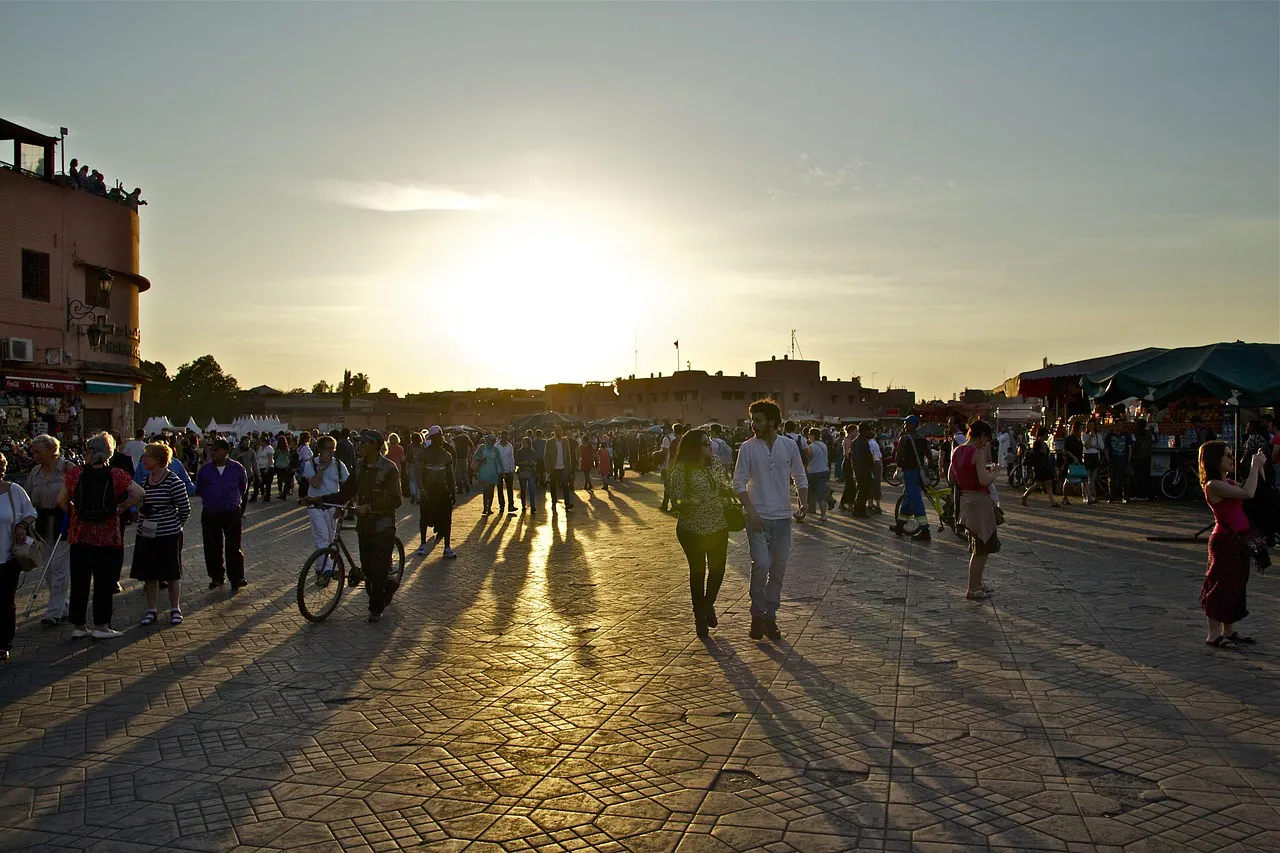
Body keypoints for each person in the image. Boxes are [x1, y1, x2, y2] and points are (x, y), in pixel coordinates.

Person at [57, 432, 145, 640]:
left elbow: (60, 499)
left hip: (80, 535)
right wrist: (121, 508)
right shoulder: (116, 474)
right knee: (104, 582)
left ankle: (79, 625)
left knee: (79, 581)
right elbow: (140, 493)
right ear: (109, 452)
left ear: (89, 451)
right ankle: (101, 625)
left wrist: (74, 512)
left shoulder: (75, 473)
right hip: (108, 536)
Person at [733, 400, 808, 642]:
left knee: (778, 569)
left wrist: (804, 503)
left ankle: (770, 617)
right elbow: (738, 482)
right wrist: (751, 512)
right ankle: (757, 614)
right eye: (752, 420)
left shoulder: (788, 446)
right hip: (757, 517)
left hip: (783, 518)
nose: (754, 425)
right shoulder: (748, 448)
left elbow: (799, 475)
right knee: (762, 565)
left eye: (758, 420)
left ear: (773, 422)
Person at [1200, 441, 1269, 648]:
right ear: (1215, 460)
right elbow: (1247, 493)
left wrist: (1260, 466)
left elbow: (1255, 490)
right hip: (1224, 541)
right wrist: (1254, 467)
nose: (1232, 459)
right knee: (1220, 586)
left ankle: (1228, 630)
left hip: (1239, 540)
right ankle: (1213, 635)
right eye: (1228, 456)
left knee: (1236, 586)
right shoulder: (1214, 485)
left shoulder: (1228, 482)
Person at [668, 429, 729, 638]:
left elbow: (722, 486)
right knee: (698, 572)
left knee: (718, 570)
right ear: (694, 447)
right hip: (691, 529)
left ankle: (707, 604)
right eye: (705, 443)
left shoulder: (716, 463)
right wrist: (688, 502)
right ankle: (698, 615)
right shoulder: (681, 470)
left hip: (718, 525)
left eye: (709, 442)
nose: (709, 446)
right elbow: (674, 500)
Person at [336, 431, 403, 622]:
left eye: (363, 443)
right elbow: (346, 491)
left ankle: (377, 606)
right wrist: (320, 500)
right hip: (365, 525)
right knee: (367, 567)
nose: (359, 446)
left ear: (374, 445)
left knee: (378, 569)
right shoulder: (359, 466)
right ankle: (387, 586)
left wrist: (370, 507)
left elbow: (395, 499)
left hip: (383, 525)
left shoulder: (389, 468)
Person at [133, 443, 193, 626]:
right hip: (147, 534)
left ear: (158, 460)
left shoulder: (173, 481)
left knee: (172, 573)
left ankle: (175, 608)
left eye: (147, 457)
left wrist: (175, 524)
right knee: (150, 574)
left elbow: (185, 508)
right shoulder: (145, 481)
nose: (144, 460)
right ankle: (151, 609)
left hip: (168, 533)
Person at [948, 420, 1001, 601]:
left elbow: (950, 477)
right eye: (986, 439)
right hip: (979, 502)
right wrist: (995, 472)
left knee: (978, 545)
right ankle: (972, 588)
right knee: (981, 548)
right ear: (982, 436)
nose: (986, 443)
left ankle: (978, 583)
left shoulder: (956, 451)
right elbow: (984, 481)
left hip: (966, 501)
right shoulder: (977, 453)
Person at [25, 435, 72, 626]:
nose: (35, 455)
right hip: (43, 524)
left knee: (60, 567)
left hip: (64, 522)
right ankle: (63, 605)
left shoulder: (67, 468)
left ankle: (53, 612)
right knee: (49, 569)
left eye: (39, 451)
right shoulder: (35, 472)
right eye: (33, 451)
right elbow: (27, 499)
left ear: (53, 450)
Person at [195, 438, 249, 591]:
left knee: (233, 546)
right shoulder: (205, 470)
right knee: (212, 546)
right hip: (211, 512)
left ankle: (237, 577)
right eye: (212, 450)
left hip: (231, 512)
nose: (213, 453)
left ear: (226, 452)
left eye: (216, 450)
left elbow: (242, 487)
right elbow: (200, 488)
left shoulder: (237, 468)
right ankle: (216, 576)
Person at [1, 451, 38, 662]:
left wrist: (23, 525)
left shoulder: (14, 491)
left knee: (5, 601)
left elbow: (31, 512)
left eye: (2, 467)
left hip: (7, 556)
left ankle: (3, 642)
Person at [300, 436, 350, 576]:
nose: (330, 452)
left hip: (332, 507)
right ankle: (327, 569)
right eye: (327, 449)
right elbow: (315, 483)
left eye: (333, 449)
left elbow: (346, 487)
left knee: (329, 539)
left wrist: (342, 507)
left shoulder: (339, 465)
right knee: (321, 536)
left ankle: (319, 566)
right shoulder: (311, 465)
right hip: (315, 506)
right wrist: (322, 467)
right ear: (320, 449)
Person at [414, 426, 458, 559]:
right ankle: (422, 543)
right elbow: (418, 473)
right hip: (428, 492)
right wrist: (421, 489)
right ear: (432, 439)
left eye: (441, 437)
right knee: (424, 518)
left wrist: (453, 491)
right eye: (437, 437)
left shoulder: (447, 455)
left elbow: (450, 475)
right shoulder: (424, 454)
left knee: (446, 519)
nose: (440, 440)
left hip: (443, 491)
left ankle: (447, 546)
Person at [890, 416, 933, 541]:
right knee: (908, 498)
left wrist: (899, 467)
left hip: (909, 472)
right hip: (919, 473)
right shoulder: (923, 438)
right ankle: (900, 525)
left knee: (915, 500)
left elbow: (898, 457)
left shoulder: (904, 439)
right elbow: (929, 456)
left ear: (909, 425)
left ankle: (925, 529)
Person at [1021, 426, 1061, 508]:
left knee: (1048, 483)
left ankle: (1051, 501)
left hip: (1045, 465)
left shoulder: (1044, 443)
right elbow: (1039, 454)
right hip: (1040, 466)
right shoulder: (1038, 443)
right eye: (1046, 435)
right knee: (1038, 484)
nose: (1047, 436)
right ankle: (1024, 496)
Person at [544, 427, 575, 512]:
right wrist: (548, 467)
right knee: (553, 486)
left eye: (560, 431)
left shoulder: (565, 441)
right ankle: (554, 501)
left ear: (562, 432)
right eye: (556, 431)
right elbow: (546, 455)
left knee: (565, 486)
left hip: (563, 467)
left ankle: (567, 503)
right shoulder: (549, 442)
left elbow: (568, 454)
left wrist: (569, 467)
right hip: (553, 468)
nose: (558, 433)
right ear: (554, 432)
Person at [850, 423, 876, 518]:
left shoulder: (854, 442)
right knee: (864, 491)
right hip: (865, 470)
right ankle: (859, 511)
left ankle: (858, 509)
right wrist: (872, 466)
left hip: (857, 469)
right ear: (865, 431)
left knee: (860, 490)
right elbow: (868, 457)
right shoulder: (864, 442)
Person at [803, 428, 830, 521]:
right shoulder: (823, 445)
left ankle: (805, 512)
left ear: (813, 436)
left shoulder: (811, 447)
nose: (808, 437)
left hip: (813, 472)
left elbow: (807, 460)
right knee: (821, 494)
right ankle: (823, 515)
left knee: (808, 493)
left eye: (809, 435)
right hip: (824, 471)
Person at [472, 435, 501, 516]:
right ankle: (485, 507)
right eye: (491, 440)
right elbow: (475, 456)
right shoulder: (482, 447)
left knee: (491, 491)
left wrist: (501, 471)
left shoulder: (495, 449)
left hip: (493, 471)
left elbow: (499, 460)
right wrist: (481, 458)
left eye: (494, 441)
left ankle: (489, 507)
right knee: (486, 489)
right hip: (484, 470)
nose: (492, 442)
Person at [1106, 424, 1132, 504]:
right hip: (1114, 460)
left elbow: (1130, 447)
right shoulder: (1109, 436)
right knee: (1112, 480)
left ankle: (1125, 496)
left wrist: (1129, 458)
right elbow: (1106, 448)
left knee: (1125, 479)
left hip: (1123, 459)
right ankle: (1112, 496)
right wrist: (1108, 458)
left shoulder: (1125, 435)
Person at [1082, 419, 1103, 505]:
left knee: (1093, 478)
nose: (1091, 427)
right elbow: (1086, 446)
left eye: (1093, 425)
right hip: (1087, 456)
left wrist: (1093, 446)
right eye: (1089, 425)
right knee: (1086, 477)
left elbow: (1101, 446)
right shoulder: (1085, 435)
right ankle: (1086, 496)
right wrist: (1090, 437)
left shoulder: (1098, 435)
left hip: (1095, 456)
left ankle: (1091, 496)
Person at [516, 436, 539, 513]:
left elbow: (536, 463)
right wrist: (525, 462)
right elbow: (516, 462)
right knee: (523, 490)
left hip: (531, 472)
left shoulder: (533, 452)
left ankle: (533, 506)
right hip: (522, 472)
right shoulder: (519, 452)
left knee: (531, 489)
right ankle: (523, 505)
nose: (525, 444)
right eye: (524, 443)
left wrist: (532, 463)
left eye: (526, 443)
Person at [496, 431, 517, 514]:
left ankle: (511, 505)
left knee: (509, 489)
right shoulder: (496, 446)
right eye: (503, 437)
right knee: (500, 489)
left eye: (505, 437)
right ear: (501, 437)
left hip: (508, 470)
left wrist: (512, 469)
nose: (504, 439)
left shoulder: (510, 446)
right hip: (499, 470)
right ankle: (502, 505)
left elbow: (512, 458)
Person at [405, 431, 425, 505]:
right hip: (420, 465)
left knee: (412, 481)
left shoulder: (409, 446)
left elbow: (408, 458)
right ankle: (418, 498)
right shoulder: (422, 446)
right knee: (419, 481)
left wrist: (406, 468)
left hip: (412, 465)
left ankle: (413, 493)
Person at [254, 437, 275, 502]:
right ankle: (260, 494)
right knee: (259, 482)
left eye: (260, 441)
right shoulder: (259, 448)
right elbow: (256, 457)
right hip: (260, 467)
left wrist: (267, 468)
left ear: (264, 441)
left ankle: (267, 496)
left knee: (268, 483)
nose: (259, 442)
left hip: (267, 467)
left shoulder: (269, 448)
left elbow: (270, 459)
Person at [295, 433, 314, 500]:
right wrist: (311, 457)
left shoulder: (300, 446)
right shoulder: (305, 447)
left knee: (302, 484)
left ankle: (301, 498)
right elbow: (305, 457)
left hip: (301, 466)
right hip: (304, 466)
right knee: (305, 484)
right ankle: (304, 498)